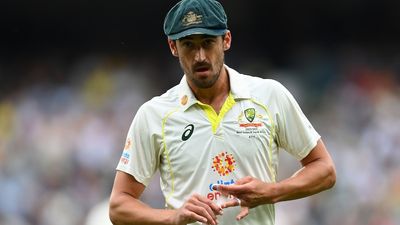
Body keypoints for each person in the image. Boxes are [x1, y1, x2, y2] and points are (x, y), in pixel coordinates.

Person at [109, 0, 336, 224]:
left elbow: (324, 170)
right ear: (173, 47)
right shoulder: (154, 114)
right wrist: (173, 217)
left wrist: (271, 192)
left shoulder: (269, 95)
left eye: (208, 42)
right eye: (188, 44)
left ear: (226, 40)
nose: (200, 56)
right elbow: (119, 205)